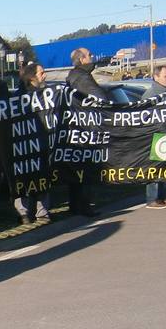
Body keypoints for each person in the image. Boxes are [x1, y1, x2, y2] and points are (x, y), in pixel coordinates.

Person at [63, 48, 105, 216]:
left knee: (77, 170)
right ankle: (83, 206)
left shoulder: (76, 76)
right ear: (81, 60)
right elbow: (99, 97)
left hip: (78, 127)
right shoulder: (82, 77)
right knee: (86, 169)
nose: (92, 57)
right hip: (85, 128)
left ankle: (76, 206)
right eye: (89, 55)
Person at [13, 62, 52, 224]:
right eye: (41, 73)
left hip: (41, 142)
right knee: (24, 179)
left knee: (43, 177)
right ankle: (24, 212)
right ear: (31, 77)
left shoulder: (47, 95)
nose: (45, 76)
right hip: (23, 145)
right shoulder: (18, 97)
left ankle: (42, 212)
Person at [141, 64, 166, 209]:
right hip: (155, 135)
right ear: (156, 77)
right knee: (155, 168)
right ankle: (152, 198)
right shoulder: (151, 95)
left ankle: (164, 197)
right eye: (165, 76)